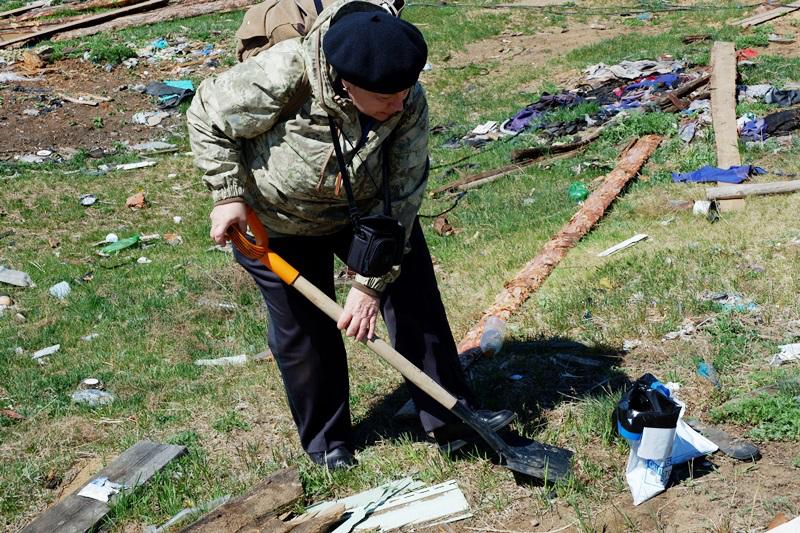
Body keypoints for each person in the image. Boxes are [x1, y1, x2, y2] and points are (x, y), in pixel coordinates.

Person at [187, 0, 515, 470]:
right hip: (278, 219)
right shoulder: (283, 74)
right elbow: (207, 115)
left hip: (366, 212)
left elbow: (403, 197)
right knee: (304, 332)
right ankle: (329, 444)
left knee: (414, 299)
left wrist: (368, 285)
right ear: (347, 82)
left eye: (405, 93)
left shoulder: (405, 98)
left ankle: (453, 418)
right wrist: (227, 194)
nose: (399, 104)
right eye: (386, 99)